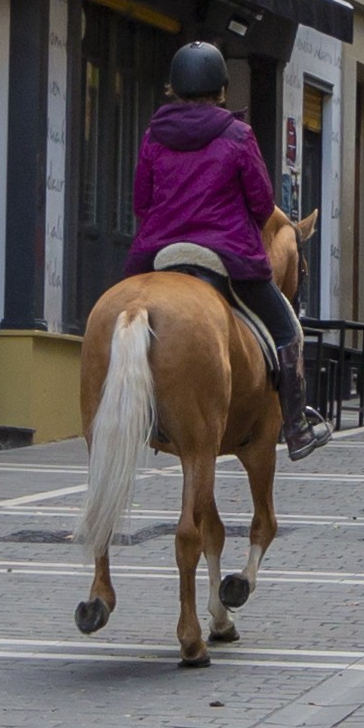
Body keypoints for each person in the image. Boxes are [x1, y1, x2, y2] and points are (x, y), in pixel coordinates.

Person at [125, 41, 327, 461]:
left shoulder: (153, 136)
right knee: (287, 330)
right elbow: (260, 201)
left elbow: (141, 203)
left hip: (161, 253)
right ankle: (296, 424)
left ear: (174, 87)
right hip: (225, 257)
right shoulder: (238, 135)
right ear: (220, 88)